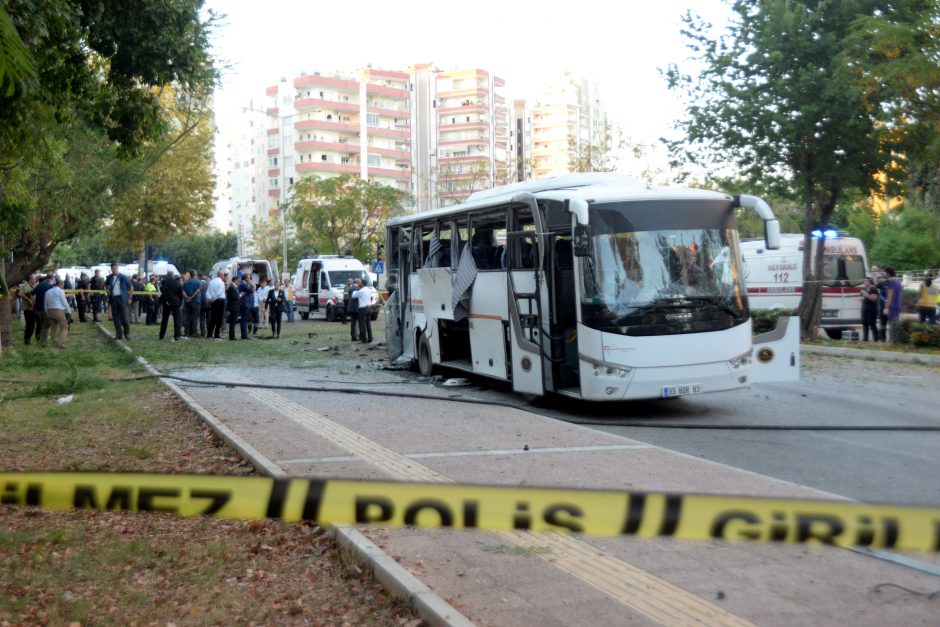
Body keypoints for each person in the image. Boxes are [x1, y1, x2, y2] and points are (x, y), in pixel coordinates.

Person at [105, 263, 133, 340]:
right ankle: (118, 334)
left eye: (114, 269)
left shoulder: (123, 277)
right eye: (112, 269)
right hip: (113, 299)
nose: (113, 270)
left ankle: (127, 333)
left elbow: (131, 287)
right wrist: (107, 289)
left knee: (124, 316)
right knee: (115, 317)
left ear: (117, 268)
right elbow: (106, 285)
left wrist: (130, 297)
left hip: (122, 299)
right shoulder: (109, 277)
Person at [43, 277, 73, 349]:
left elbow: (45, 303)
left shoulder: (48, 291)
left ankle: (52, 342)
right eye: (63, 284)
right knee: (64, 327)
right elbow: (64, 302)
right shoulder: (60, 291)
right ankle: (61, 343)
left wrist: (47, 312)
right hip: (58, 310)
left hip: (50, 311)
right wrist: (69, 311)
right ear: (61, 284)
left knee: (53, 327)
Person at [159, 271, 183, 341]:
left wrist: (165, 300)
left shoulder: (164, 282)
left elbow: (163, 291)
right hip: (176, 303)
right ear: (173, 276)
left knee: (164, 320)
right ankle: (176, 336)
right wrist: (180, 303)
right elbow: (180, 294)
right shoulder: (178, 283)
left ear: (167, 275)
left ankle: (161, 335)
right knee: (177, 320)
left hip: (167, 303)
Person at [32, 274, 55, 344]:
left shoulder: (40, 285)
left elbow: (32, 293)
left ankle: (38, 338)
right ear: (52, 278)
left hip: (37, 307)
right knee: (46, 324)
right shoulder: (50, 286)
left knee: (39, 324)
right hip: (46, 308)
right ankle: (43, 341)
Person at [882, 266, 903, 342]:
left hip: (892, 307)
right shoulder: (897, 281)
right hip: (897, 305)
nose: (883, 274)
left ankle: (893, 342)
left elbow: (889, 296)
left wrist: (886, 308)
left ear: (888, 273)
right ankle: (895, 341)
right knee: (895, 324)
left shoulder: (891, 282)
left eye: (884, 272)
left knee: (892, 326)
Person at [351, 278, 373, 343]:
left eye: (360, 284)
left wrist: (356, 289)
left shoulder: (361, 291)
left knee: (362, 324)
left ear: (362, 284)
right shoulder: (369, 290)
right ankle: (370, 337)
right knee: (368, 324)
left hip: (363, 308)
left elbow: (353, 296)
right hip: (369, 307)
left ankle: (363, 338)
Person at [206, 271, 226, 340]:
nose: (224, 277)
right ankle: (217, 334)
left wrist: (210, 298)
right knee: (219, 318)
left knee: (213, 318)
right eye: (223, 275)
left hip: (212, 301)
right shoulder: (221, 283)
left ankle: (209, 333)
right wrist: (214, 298)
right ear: (221, 275)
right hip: (219, 300)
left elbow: (207, 292)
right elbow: (219, 292)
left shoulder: (211, 282)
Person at [18, 274, 37, 345]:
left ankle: (27, 340)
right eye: (34, 279)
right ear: (31, 279)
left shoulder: (32, 286)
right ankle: (26, 341)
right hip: (28, 308)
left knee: (31, 325)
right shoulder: (26, 286)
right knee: (30, 325)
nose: (35, 280)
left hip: (32, 308)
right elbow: (20, 294)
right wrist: (28, 299)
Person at [182, 269, 202, 337]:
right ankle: (194, 332)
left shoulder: (185, 282)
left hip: (187, 302)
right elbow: (198, 290)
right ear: (195, 274)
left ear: (190, 275)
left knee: (187, 317)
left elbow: (183, 291)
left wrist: (187, 297)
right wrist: (192, 297)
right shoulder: (198, 282)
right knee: (195, 317)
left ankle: (186, 332)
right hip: (196, 301)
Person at [859, 277, 880, 341]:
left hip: (871, 309)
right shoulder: (864, 289)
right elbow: (860, 299)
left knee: (872, 325)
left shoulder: (873, 289)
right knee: (865, 324)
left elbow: (873, 298)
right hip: (864, 309)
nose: (864, 282)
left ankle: (875, 339)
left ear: (869, 281)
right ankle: (865, 339)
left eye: (865, 281)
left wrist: (866, 295)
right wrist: (865, 296)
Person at [226, 275, 242, 341]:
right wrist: (240, 295)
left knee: (234, 321)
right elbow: (234, 297)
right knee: (233, 321)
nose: (239, 282)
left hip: (234, 306)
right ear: (235, 280)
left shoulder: (234, 287)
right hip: (233, 307)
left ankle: (232, 335)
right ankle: (232, 336)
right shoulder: (232, 287)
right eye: (238, 281)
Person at [238, 274, 253, 339]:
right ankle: (244, 335)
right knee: (244, 320)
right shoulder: (244, 284)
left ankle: (244, 334)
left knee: (245, 319)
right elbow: (251, 291)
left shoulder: (243, 284)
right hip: (245, 304)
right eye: (249, 278)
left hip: (245, 303)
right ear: (245, 278)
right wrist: (252, 285)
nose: (250, 279)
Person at [198, 273, 210, 337]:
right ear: (207, 279)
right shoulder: (209, 284)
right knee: (208, 318)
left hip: (201, 303)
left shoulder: (199, 284)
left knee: (202, 319)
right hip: (208, 303)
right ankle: (209, 333)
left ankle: (203, 333)